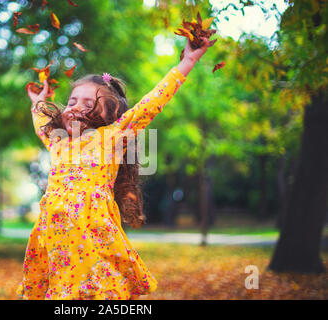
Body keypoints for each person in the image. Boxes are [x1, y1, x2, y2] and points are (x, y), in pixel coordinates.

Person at [17, 37, 216, 300]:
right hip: (56, 240)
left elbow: (151, 103)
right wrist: (37, 102)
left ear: (108, 116)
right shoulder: (58, 142)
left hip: (94, 240)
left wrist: (188, 61)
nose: (76, 107)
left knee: (98, 294)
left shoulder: (111, 137)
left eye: (88, 104)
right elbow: (41, 122)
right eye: (73, 101)